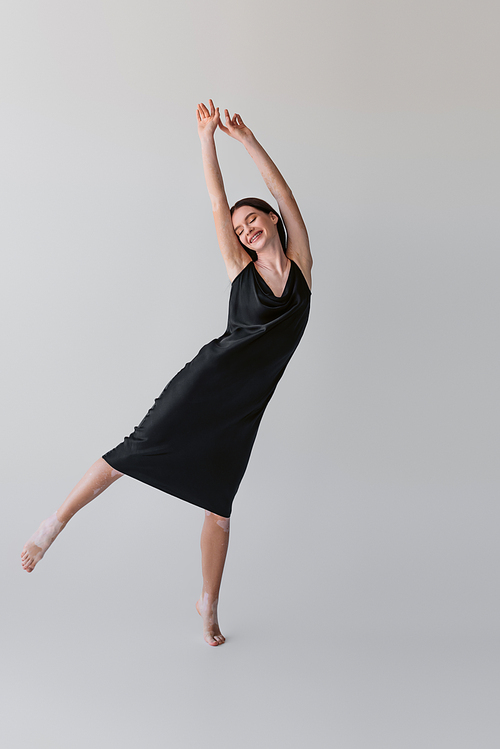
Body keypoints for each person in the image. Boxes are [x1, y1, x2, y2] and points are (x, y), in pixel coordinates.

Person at [21, 99, 313, 647]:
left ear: (273, 221)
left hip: (245, 408)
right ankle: (52, 525)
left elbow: (283, 191)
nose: (246, 229)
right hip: (205, 384)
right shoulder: (238, 269)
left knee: (219, 508)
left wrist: (246, 137)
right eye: (239, 228)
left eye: (253, 220)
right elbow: (215, 203)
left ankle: (207, 605)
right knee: (131, 454)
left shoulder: (302, 268)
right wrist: (207, 139)